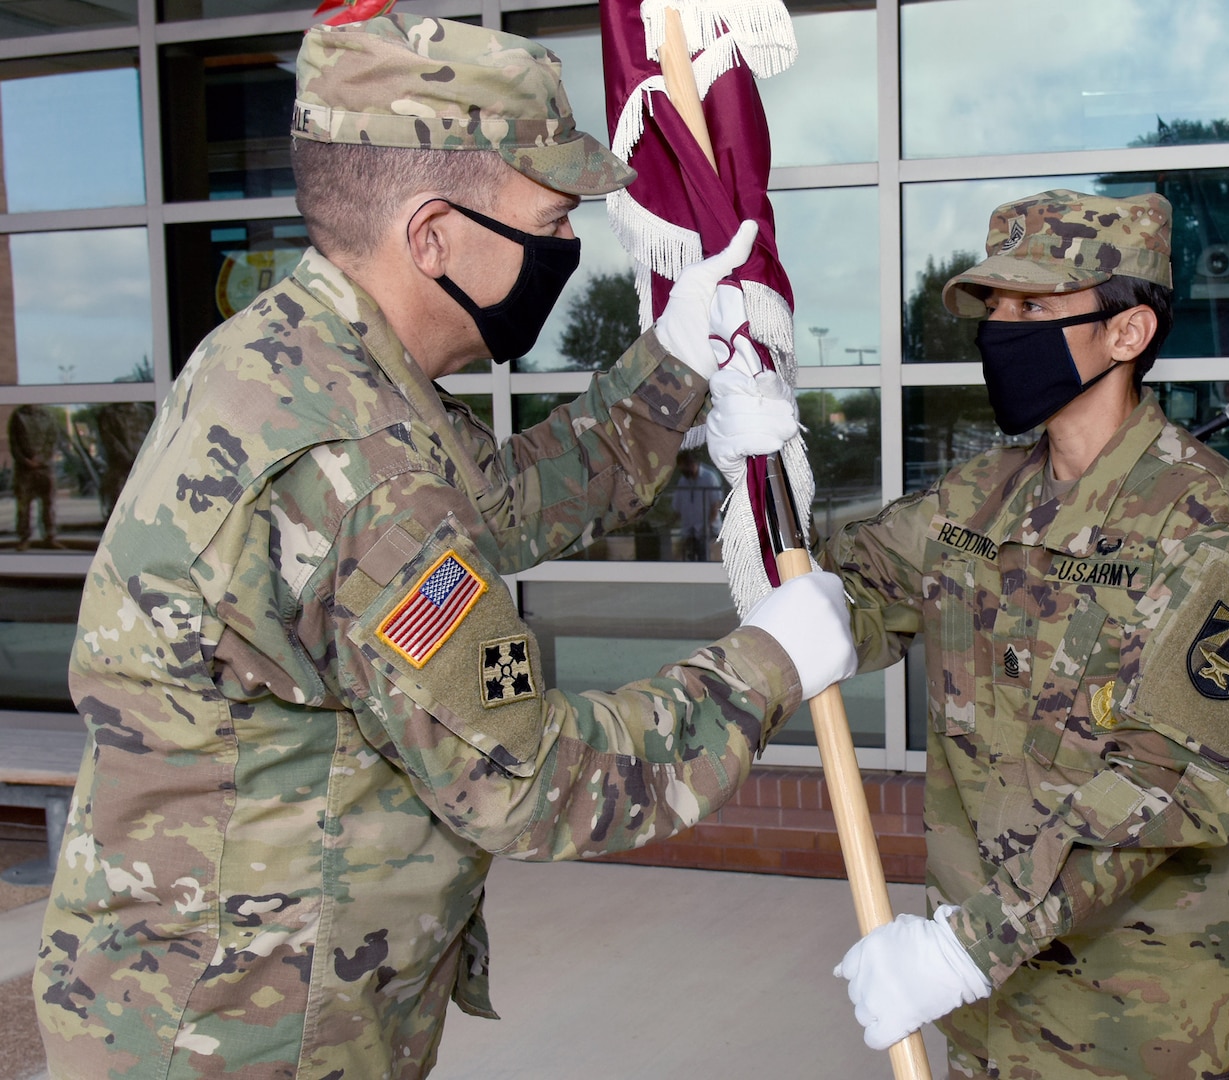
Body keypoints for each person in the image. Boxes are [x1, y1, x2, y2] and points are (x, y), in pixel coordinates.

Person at [33, 14, 850, 1080]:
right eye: (551, 219)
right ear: (433, 236)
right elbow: (538, 777)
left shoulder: (298, 356)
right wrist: (768, 665)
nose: (567, 247)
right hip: (249, 1033)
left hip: (210, 995)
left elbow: (502, 502)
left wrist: (675, 361)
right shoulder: (359, 457)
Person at [709, 190, 1229, 1078]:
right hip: (994, 1020)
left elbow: (1166, 787)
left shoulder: (1212, 532)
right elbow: (826, 598)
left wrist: (960, 949)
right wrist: (759, 474)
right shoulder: (976, 499)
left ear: (1126, 334)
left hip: (1153, 1034)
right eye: (994, 307)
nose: (1002, 329)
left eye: (1034, 308)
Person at [7, 402, 61, 550]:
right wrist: (25, 460)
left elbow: (53, 440)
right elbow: (14, 442)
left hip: (45, 468)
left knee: (49, 504)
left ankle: (50, 537)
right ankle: (24, 539)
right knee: (24, 506)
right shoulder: (18, 416)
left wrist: (43, 459)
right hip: (24, 469)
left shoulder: (48, 415)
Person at [671, 449, 724, 560]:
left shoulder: (709, 478)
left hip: (707, 530)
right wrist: (668, 524)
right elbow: (678, 508)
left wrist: (707, 526)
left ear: (691, 463)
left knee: (703, 556)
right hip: (689, 530)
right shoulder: (683, 481)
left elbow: (716, 505)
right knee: (683, 557)